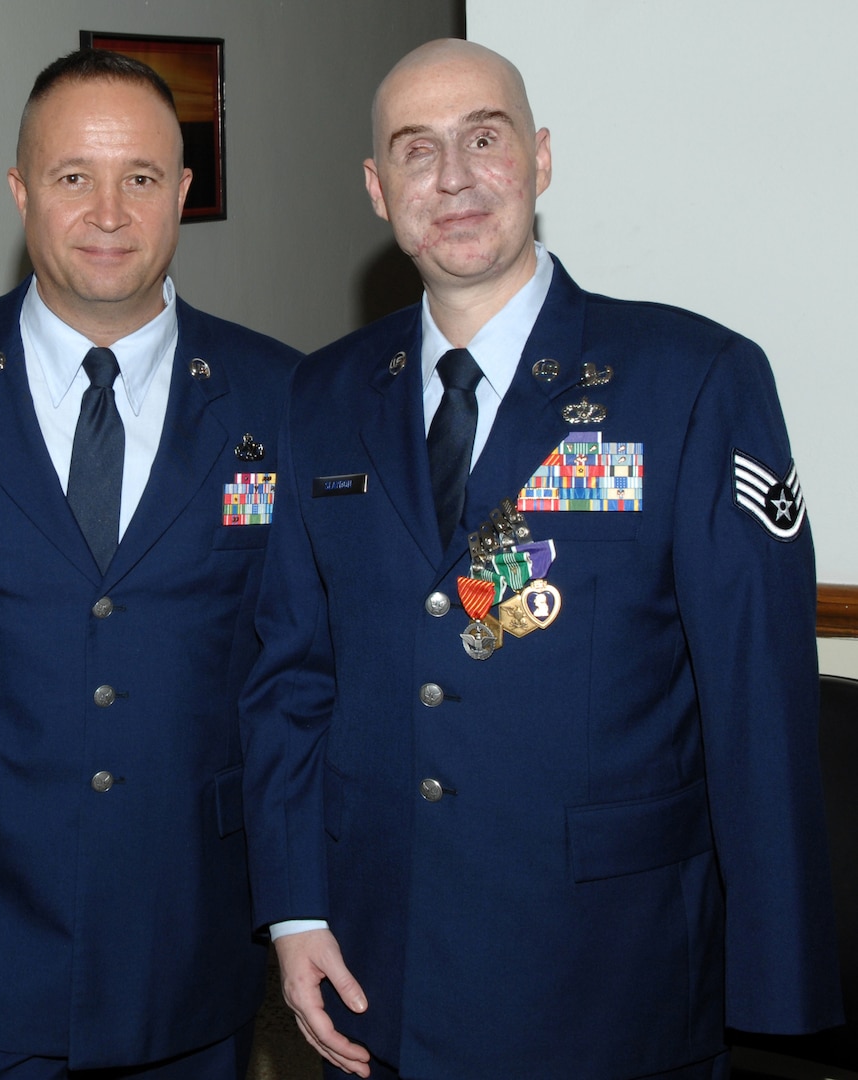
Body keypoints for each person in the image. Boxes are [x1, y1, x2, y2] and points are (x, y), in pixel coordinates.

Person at [242, 38, 843, 1080]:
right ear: (379, 192)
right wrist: (294, 911)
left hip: (613, 980)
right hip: (383, 974)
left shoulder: (689, 380)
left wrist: (772, 988)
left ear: (542, 158)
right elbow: (292, 676)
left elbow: (756, 697)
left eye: (486, 137)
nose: (456, 177)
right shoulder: (319, 396)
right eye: (416, 151)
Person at [0, 48, 299, 1080]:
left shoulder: (280, 396)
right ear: (19, 193)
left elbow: (300, 665)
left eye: (140, 177)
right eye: (70, 178)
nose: (108, 211)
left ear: (182, 195)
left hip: (191, 923)